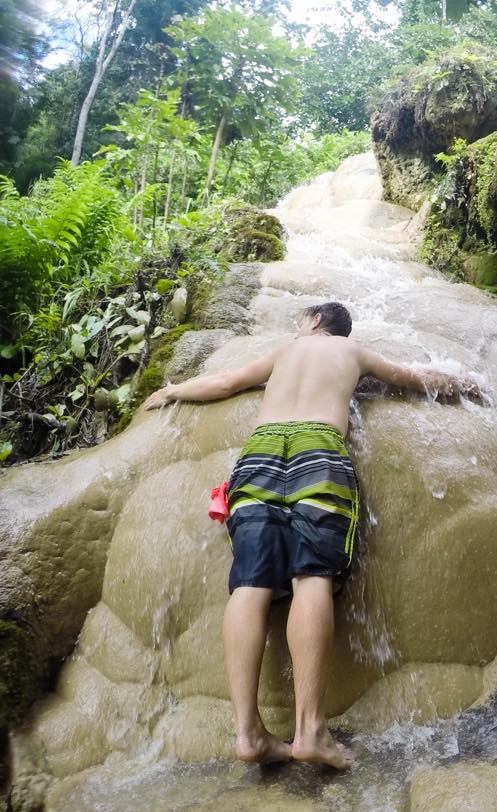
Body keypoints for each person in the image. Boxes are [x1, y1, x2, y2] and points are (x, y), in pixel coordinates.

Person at [144, 302, 479, 769]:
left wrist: (172, 390)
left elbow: (225, 383)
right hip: (318, 452)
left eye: (301, 320)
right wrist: (464, 381)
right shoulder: (352, 352)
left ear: (316, 322)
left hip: (260, 452)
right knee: (312, 577)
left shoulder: (285, 351)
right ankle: (310, 732)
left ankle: (248, 734)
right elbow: (412, 377)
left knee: (249, 583)